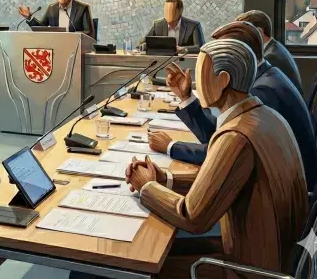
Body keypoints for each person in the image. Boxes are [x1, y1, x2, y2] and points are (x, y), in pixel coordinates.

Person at [127, 39, 307, 278]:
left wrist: (146, 186)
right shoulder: (265, 116)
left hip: (247, 270)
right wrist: (165, 178)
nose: (195, 82)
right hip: (274, 258)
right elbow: (219, 181)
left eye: (201, 73)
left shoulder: (236, 136)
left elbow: (192, 217)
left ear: (223, 80)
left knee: (133, 265)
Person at [149, 21, 317, 190]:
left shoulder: (262, 91)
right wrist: (186, 97)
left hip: (282, 191)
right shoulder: (265, 75)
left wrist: (171, 147)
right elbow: (219, 136)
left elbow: (227, 151)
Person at [236, 9, 302, 94]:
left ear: (259, 32)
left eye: (246, 33)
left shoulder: (271, 57)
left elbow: (255, 87)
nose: (243, 38)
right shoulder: (274, 48)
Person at [18, 0, 95, 37]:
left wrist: (70, 35)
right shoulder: (52, 8)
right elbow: (42, 28)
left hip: (76, 47)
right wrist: (30, 18)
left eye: (66, 3)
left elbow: (89, 32)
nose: (63, 6)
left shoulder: (82, 9)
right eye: (61, 3)